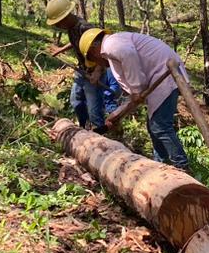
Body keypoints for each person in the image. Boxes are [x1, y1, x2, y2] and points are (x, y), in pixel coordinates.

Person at [79, 28, 189, 171]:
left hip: (165, 75)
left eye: (93, 60)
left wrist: (136, 89)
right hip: (160, 78)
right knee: (153, 126)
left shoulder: (112, 44)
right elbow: (133, 97)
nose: (96, 63)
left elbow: (129, 55)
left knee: (160, 126)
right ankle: (161, 164)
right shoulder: (112, 51)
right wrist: (116, 116)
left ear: (94, 49)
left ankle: (181, 166)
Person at [45, 0, 106, 133]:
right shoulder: (71, 27)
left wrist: (97, 72)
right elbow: (76, 42)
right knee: (76, 101)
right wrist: (61, 50)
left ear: (66, 17)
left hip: (94, 71)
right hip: (81, 70)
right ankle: (83, 129)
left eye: (58, 23)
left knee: (93, 108)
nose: (57, 26)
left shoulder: (85, 27)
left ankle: (100, 136)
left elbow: (102, 50)